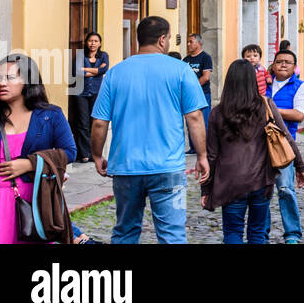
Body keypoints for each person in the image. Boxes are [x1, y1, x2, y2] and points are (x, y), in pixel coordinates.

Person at [90, 16, 209, 243]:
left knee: (125, 231)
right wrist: (202, 155)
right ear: (163, 40)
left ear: (139, 39)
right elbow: (194, 117)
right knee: (172, 235)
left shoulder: (116, 73)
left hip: (126, 167)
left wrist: (97, 155)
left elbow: (99, 122)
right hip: (167, 166)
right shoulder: (181, 71)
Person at [202, 59, 304, 244]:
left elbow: (212, 155)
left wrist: (206, 188)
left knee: (232, 232)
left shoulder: (217, 113)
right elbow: (286, 137)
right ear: (252, 80)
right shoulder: (265, 106)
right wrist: (300, 166)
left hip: (230, 183)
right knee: (257, 233)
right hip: (261, 180)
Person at [0, 54, 77, 244]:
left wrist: (30, 164)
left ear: (28, 80)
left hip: (29, 197)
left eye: (9, 77)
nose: (2, 83)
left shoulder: (50, 115)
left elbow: (70, 151)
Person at [267, 48, 304, 242]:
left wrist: (271, 109)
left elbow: (299, 114)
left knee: (285, 189)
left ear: (294, 67)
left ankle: (292, 233)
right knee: (261, 192)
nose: (283, 64)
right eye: (279, 61)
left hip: (284, 145)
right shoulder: (263, 86)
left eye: (287, 62)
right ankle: (261, 232)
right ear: (273, 65)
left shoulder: (300, 87)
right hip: (259, 144)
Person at [70, 32, 108, 163]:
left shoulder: (104, 56)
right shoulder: (81, 55)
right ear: (86, 42)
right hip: (81, 92)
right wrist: (96, 70)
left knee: (95, 122)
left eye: (95, 41)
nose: (93, 43)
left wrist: (86, 69)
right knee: (83, 123)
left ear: (100, 43)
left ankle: (94, 153)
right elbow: (77, 72)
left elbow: (104, 70)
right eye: (90, 41)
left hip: (97, 92)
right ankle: (84, 153)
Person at [183, 33, 213, 153]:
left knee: (203, 121)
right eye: (188, 42)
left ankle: (204, 148)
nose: (188, 44)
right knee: (190, 121)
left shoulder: (205, 57)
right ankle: (193, 147)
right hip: (188, 96)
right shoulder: (186, 60)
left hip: (203, 94)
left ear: (199, 43)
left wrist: (192, 88)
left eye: (191, 41)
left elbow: (205, 77)